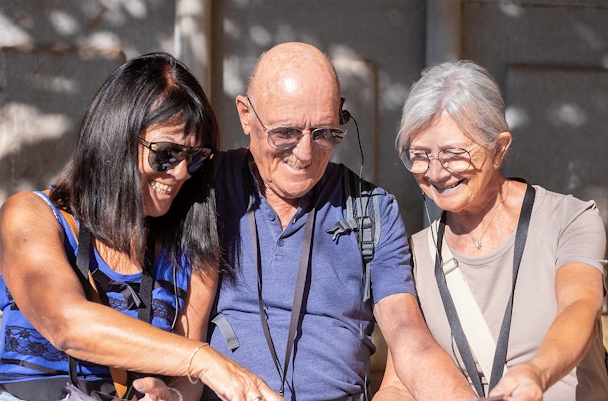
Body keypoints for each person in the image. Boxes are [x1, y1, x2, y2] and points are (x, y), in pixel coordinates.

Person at [0, 52, 281, 401]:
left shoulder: (192, 249)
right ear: (116, 141)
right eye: (166, 153)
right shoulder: (33, 215)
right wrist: (203, 361)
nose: (182, 173)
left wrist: (174, 396)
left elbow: (185, 379)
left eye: (196, 157)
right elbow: (66, 324)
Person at [202, 42, 476, 401]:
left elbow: (407, 335)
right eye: (285, 133)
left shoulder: (372, 210)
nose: (304, 153)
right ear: (245, 115)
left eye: (324, 134)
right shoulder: (205, 189)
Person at [381, 59, 608, 401]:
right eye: (419, 154)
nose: (436, 172)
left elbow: (580, 306)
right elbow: (398, 383)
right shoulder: (412, 256)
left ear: (499, 149)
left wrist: (537, 372)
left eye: (453, 153)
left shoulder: (568, 220)